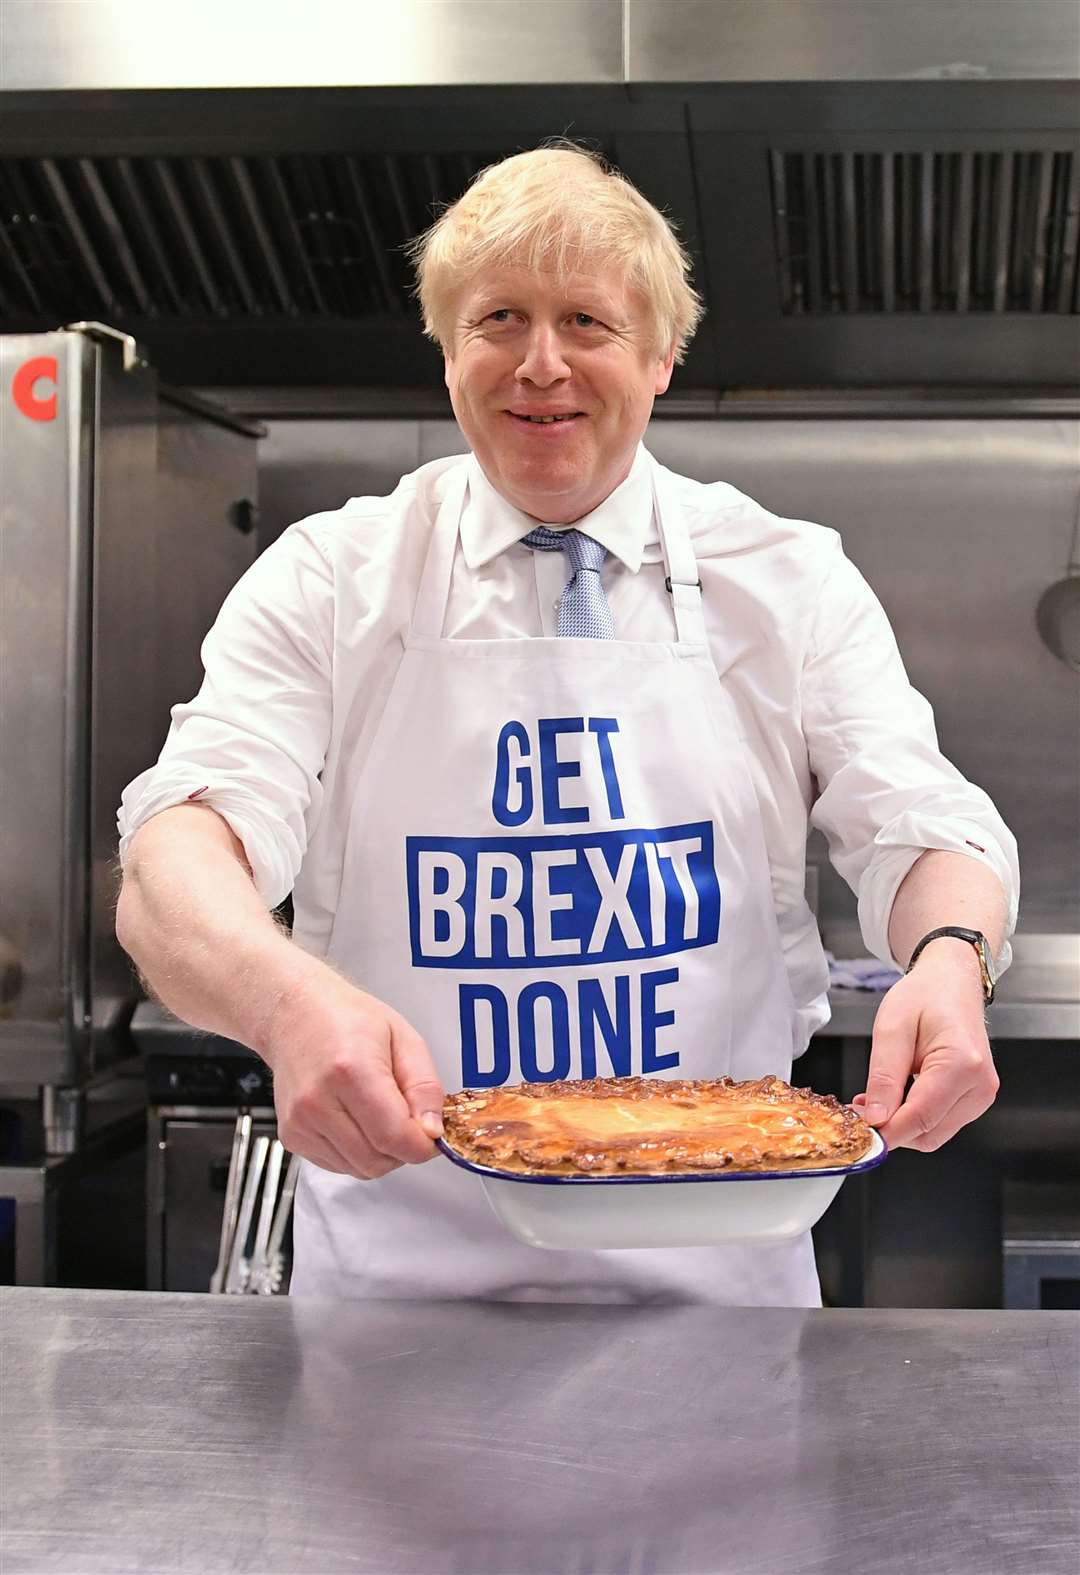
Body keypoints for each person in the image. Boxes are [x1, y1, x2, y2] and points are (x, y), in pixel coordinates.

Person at [116, 145, 1018, 1306]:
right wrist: (288, 1004)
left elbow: (921, 823)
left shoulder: (786, 579)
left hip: (723, 1288)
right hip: (404, 1291)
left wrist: (952, 960)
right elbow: (177, 853)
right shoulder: (334, 578)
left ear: (659, 356)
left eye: (587, 320)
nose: (542, 365)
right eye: (499, 318)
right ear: (447, 353)